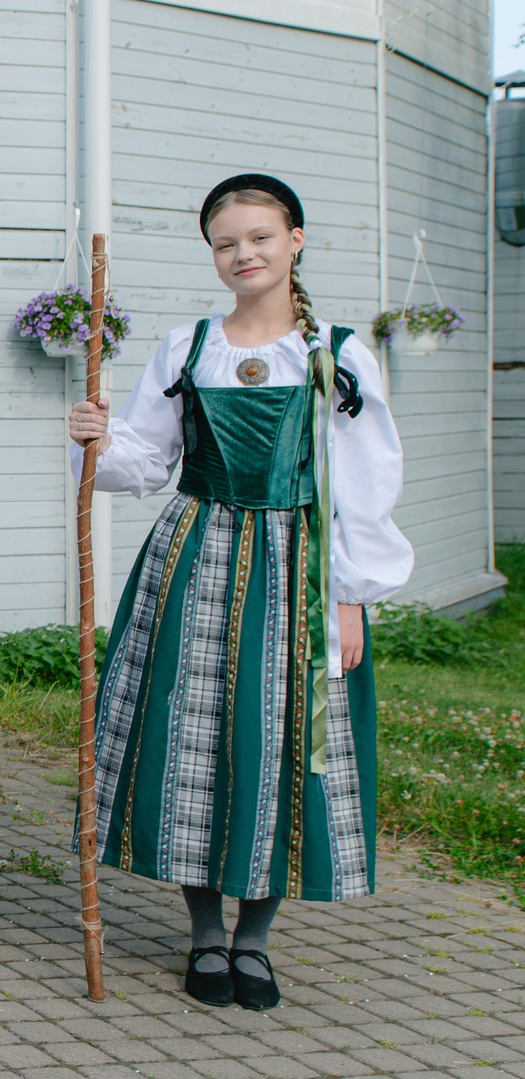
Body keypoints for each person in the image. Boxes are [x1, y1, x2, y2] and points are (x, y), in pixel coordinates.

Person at [68, 174, 408, 1011]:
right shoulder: (187, 348)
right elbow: (145, 461)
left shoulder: (334, 351)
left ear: (295, 239)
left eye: (259, 236)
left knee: (283, 737)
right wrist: (94, 440)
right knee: (192, 736)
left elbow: (363, 480)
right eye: (226, 242)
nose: (242, 253)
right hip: (197, 553)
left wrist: (352, 594)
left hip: (302, 559)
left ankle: (254, 938)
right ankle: (205, 936)